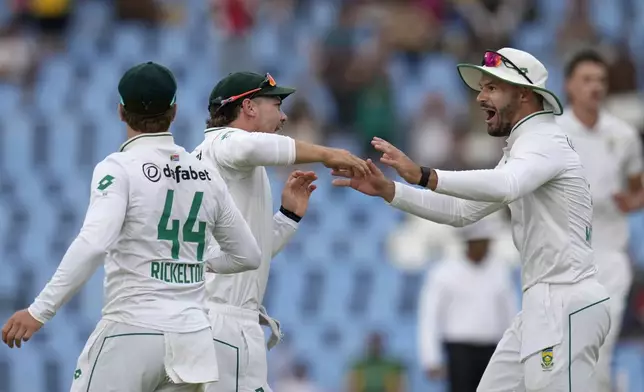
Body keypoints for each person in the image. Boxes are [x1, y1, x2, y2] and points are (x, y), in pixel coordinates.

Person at [333, 48, 612, 391]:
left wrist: (424, 174)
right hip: (542, 306)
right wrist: (390, 190)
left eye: (492, 87)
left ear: (524, 94)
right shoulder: (525, 148)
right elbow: (463, 213)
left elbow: (507, 186)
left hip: (565, 302)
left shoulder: (544, 142)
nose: (479, 97)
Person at [1, 62, 262, 392]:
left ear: (121, 111)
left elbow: (95, 243)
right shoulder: (205, 174)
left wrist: (39, 311)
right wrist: (197, 263)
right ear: (175, 111)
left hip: (133, 331)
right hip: (193, 342)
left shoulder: (119, 168)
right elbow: (248, 255)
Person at [192, 71, 369, 392]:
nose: (284, 115)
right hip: (222, 322)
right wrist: (330, 153)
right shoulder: (223, 143)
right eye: (276, 104)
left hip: (218, 318)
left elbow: (249, 252)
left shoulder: (218, 158)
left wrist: (288, 216)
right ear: (248, 107)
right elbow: (246, 148)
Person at [557, 49, 644, 391]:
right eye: (587, 80)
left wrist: (631, 201)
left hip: (609, 254)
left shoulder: (622, 135)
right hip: (562, 256)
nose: (595, 87)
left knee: (600, 347)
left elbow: (638, 191)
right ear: (569, 86)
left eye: (601, 81)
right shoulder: (552, 134)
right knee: (565, 350)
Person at [419, 214, 517, 392]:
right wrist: (431, 357)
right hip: (459, 350)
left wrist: (515, 349)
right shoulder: (444, 272)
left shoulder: (500, 271)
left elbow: (509, 314)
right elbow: (430, 316)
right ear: (470, 243)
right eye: (482, 242)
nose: (486, 247)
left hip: (492, 349)